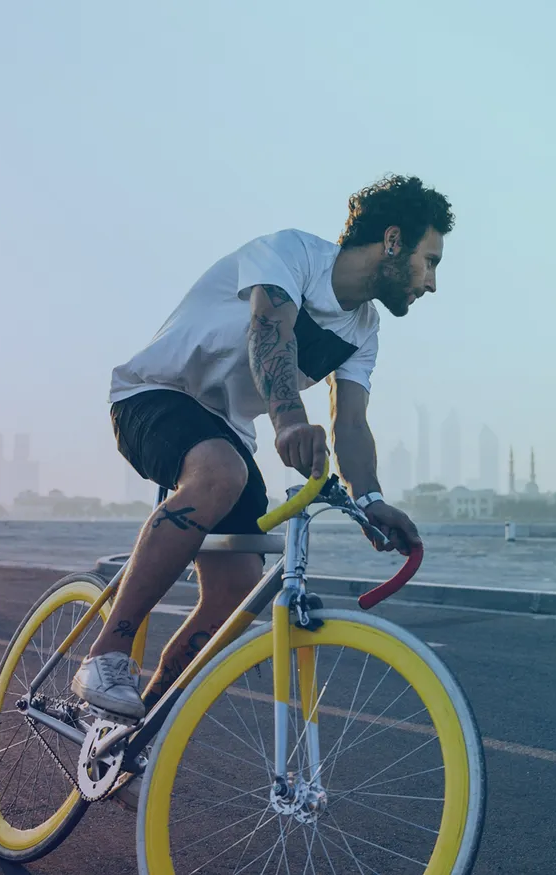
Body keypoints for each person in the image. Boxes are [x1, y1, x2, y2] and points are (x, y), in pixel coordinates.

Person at [72, 174, 453, 719]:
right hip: (152, 395)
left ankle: (135, 732)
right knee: (222, 474)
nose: (432, 282)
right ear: (393, 241)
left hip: (226, 432)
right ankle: (105, 657)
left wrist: (370, 502)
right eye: (430, 260)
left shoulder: (363, 329)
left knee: (239, 596)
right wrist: (289, 421)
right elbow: (268, 331)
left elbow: (351, 425)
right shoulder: (293, 253)